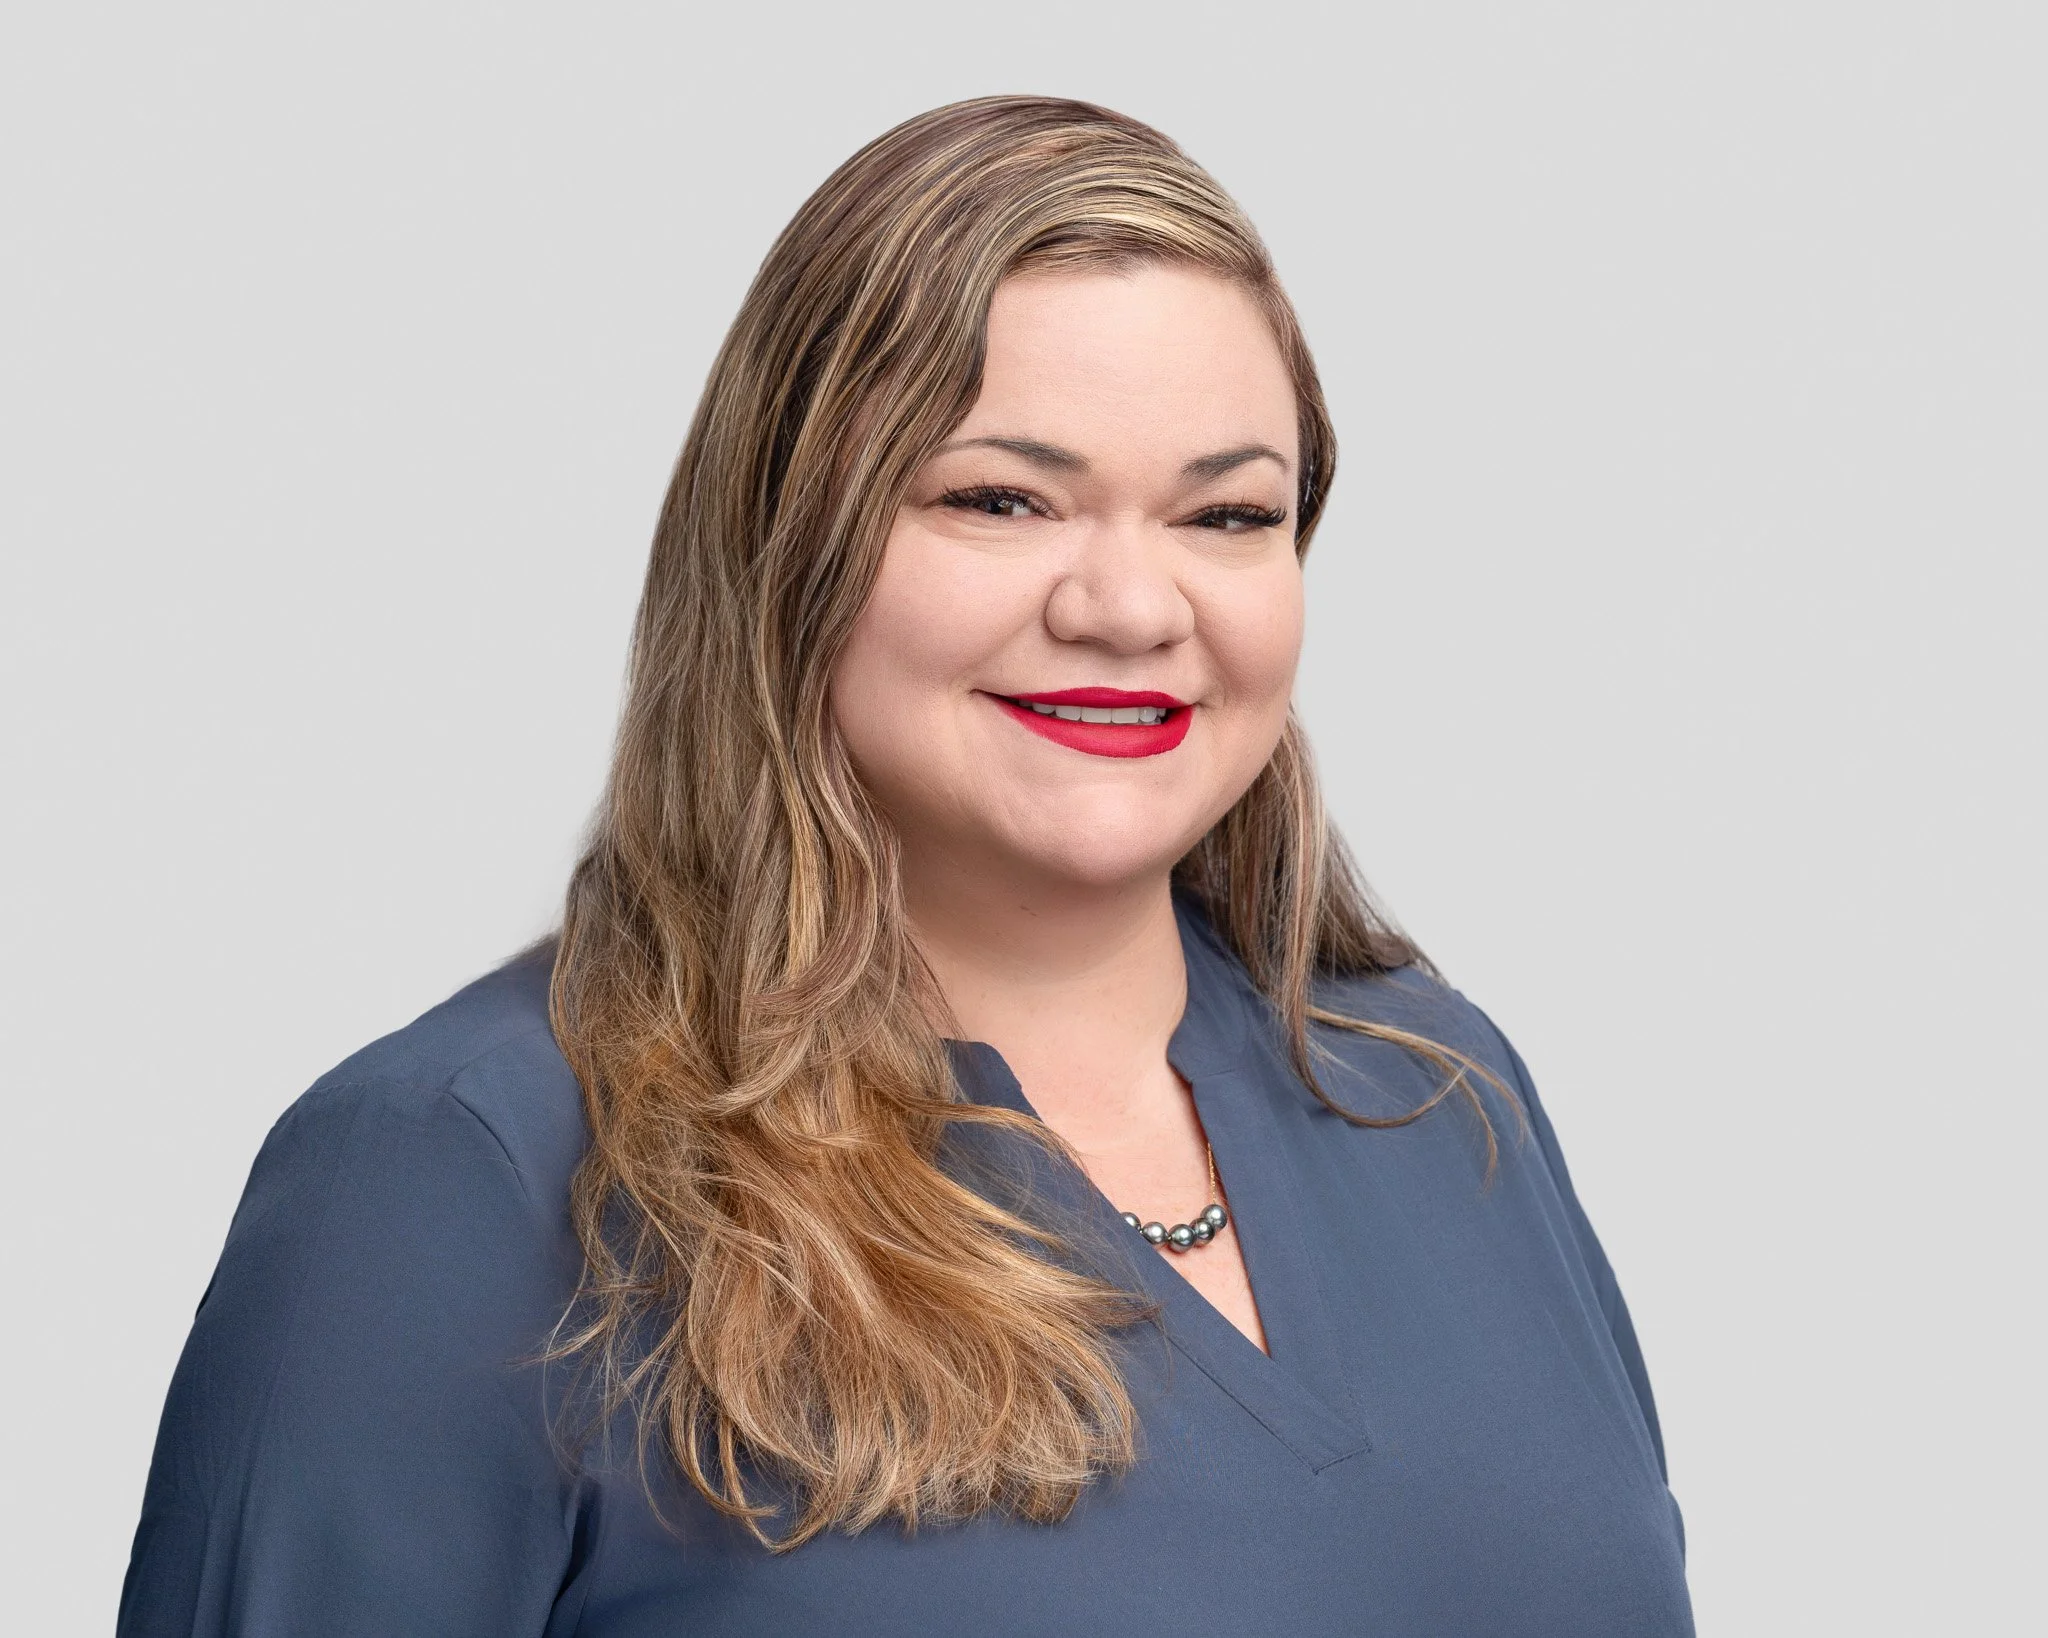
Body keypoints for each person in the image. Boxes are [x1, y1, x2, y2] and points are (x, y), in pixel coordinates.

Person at [119, 96, 1694, 1635]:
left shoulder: (1437, 1092)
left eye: (1228, 513)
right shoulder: (464, 1179)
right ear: (787, 539)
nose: (1134, 605)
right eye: (1000, 498)